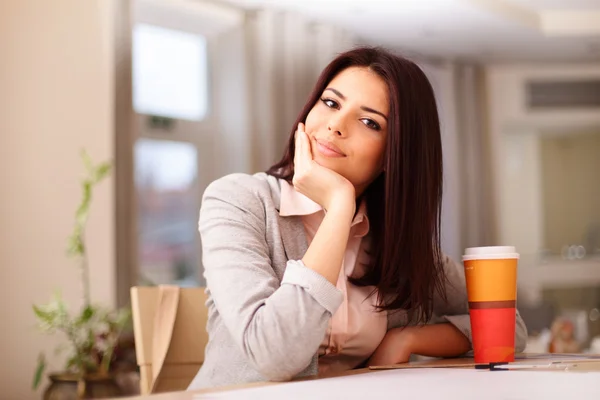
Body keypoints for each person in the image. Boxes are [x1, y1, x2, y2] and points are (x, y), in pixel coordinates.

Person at [187, 47, 527, 390]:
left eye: (369, 122)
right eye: (331, 103)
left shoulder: (393, 241)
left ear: (393, 154)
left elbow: (507, 326)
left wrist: (407, 340)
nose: (335, 125)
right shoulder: (239, 200)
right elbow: (275, 355)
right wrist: (338, 207)